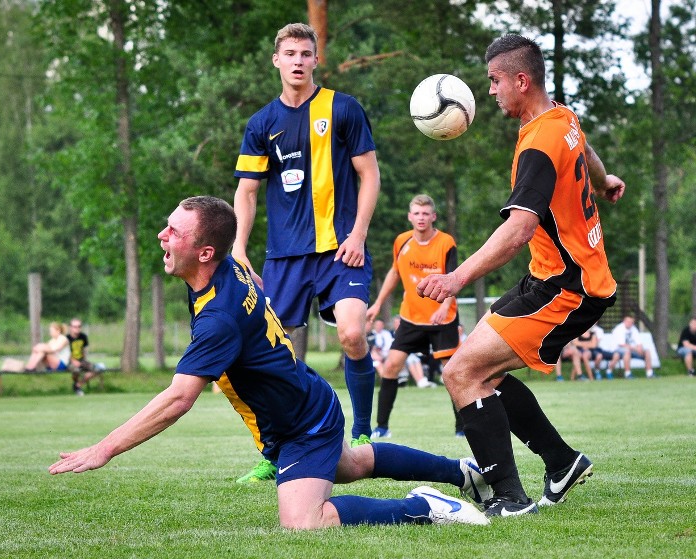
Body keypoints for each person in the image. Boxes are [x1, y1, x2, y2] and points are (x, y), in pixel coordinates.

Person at [48, 196, 490, 529]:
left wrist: (103, 449)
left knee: (303, 521)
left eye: (173, 232)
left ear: (205, 253)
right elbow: (252, 276)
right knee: (352, 465)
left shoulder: (219, 317)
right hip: (304, 401)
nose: (162, 237)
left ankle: (424, 507)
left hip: (300, 424)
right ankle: (462, 472)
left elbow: (178, 399)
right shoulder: (227, 266)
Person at [416, 34, 625, 517]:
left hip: (568, 287)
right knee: (473, 367)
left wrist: (455, 278)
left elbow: (519, 228)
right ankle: (561, 462)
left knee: (461, 372)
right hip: (550, 278)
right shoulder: (559, 117)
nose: (489, 92)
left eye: (494, 81)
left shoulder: (539, 141)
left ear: (520, 80)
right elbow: (584, 145)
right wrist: (604, 179)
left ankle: (509, 500)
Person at [232, 23, 380, 480]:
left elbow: (369, 175)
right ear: (276, 60)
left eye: (306, 53)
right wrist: (238, 246)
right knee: (273, 358)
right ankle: (275, 450)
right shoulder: (261, 123)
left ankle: (361, 432)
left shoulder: (343, 108)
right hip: (285, 259)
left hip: (341, 250)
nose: (297, 60)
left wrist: (357, 235)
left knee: (352, 334)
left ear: (317, 60)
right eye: (289, 53)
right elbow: (247, 192)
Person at [365, 194, 461, 439]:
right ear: (410, 216)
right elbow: (395, 273)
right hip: (411, 317)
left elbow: (454, 278)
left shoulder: (446, 242)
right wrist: (376, 304)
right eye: (417, 213)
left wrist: (443, 306)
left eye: (425, 213)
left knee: (452, 373)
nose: (421, 218)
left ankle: (462, 429)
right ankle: (382, 427)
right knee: (390, 366)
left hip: (443, 318)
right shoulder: (402, 241)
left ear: (433, 216)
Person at [67, 318, 99, 395]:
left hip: (81, 360)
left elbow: (84, 350)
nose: (77, 328)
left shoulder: (83, 337)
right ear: (71, 327)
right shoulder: (66, 338)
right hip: (70, 361)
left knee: (97, 369)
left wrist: (84, 362)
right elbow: (65, 353)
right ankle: (76, 385)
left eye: (79, 326)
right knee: (76, 370)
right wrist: (73, 360)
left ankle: (78, 385)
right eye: (75, 326)